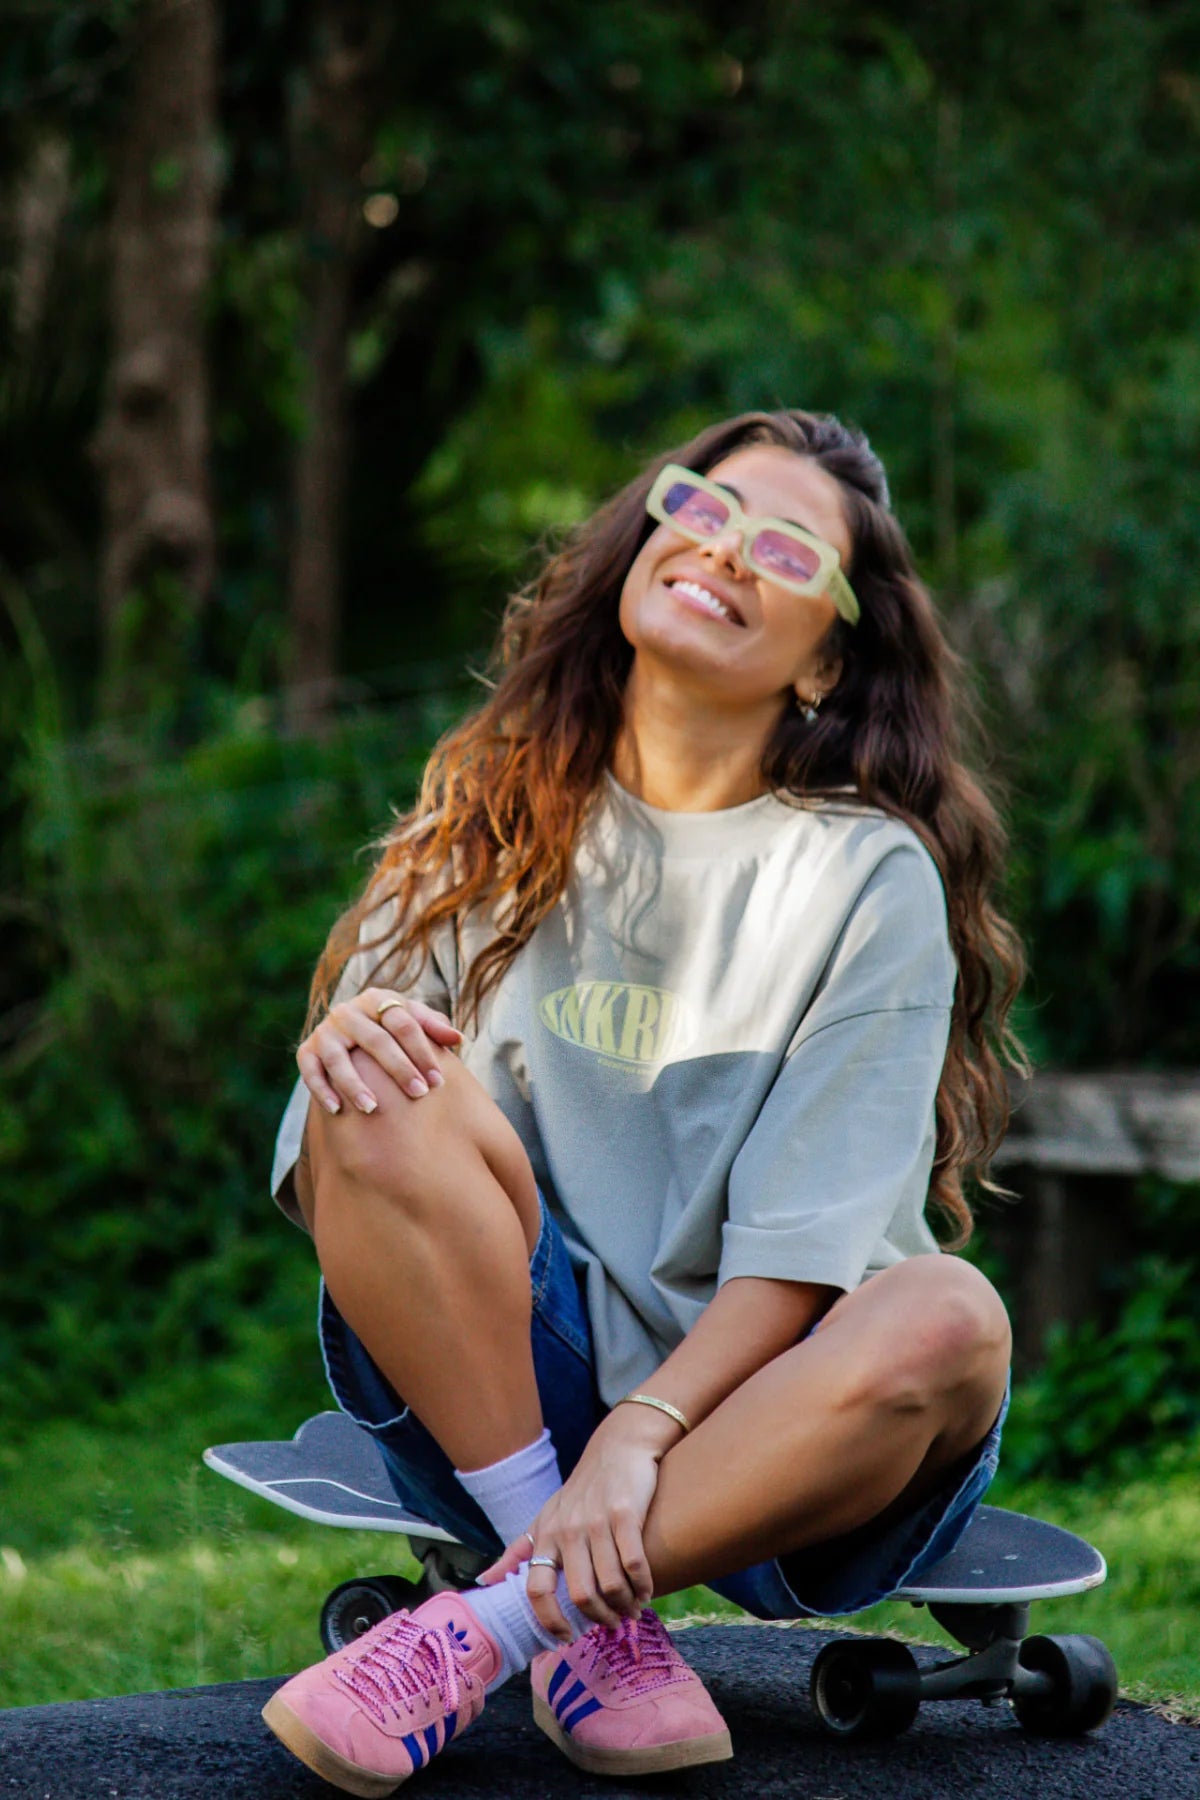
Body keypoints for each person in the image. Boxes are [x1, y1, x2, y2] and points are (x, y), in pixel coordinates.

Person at [261, 409, 1021, 1795]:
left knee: (952, 1318)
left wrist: (642, 1433)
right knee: (379, 1080)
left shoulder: (866, 879)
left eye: (785, 550)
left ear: (827, 660)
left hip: (772, 1440)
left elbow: (801, 1256)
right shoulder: (485, 812)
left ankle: (502, 1622)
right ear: (646, 540)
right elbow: (341, 1174)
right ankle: (573, 1593)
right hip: (507, 1405)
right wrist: (349, 1040)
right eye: (707, 510)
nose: (725, 552)